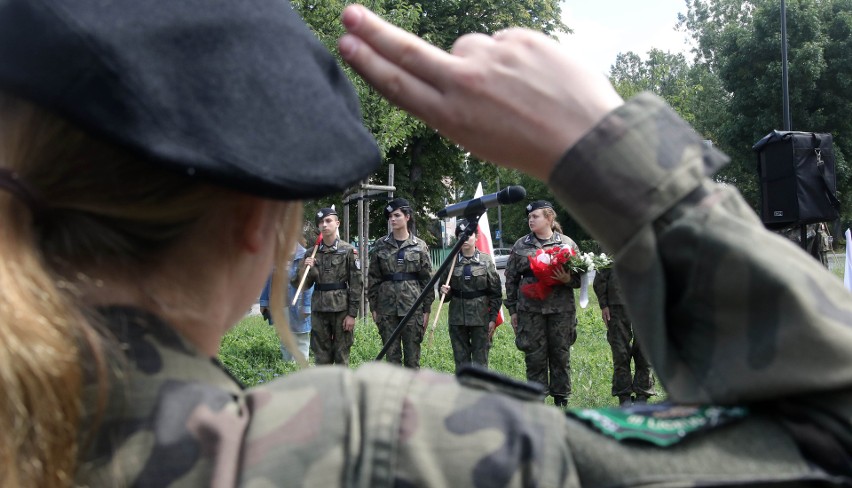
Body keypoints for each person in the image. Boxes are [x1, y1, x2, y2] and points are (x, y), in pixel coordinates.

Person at [3, 2, 851, 487]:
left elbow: (489, 271)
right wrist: (619, 157)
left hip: (507, 316)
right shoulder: (358, 453)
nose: (402, 226)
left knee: (565, 370)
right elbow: (830, 435)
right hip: (398, 319)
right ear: (255, 219)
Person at [503, 200, 581, 407]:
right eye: (529, 217)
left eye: (535, 216)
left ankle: (561, 398)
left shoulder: (566, 244)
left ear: (549, 218)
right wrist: (512, 310)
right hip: (530, 311)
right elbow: (510, 279)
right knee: (534, 356)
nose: (530, 220)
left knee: (560, 354)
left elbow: (581, 279)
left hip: (561, 310)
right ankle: (536, 398)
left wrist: (568, 280)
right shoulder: (521, 245)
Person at [368, 197, 434, 368]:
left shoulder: (420, 246)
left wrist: (426, 310)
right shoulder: (380, 245)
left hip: (412, 309)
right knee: (392, 358)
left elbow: (427, 280)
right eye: (390, 217)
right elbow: (373, 278)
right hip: (386, 309)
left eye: (397, 215)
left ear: (407, 217)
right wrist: (373, 308)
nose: (393, 219)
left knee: (412, 359)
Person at [298, 207, 362, 365]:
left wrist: (352, 314)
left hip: (341, 310)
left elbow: (356, 284)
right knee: (321, 356)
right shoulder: (310, 253)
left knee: (342, 354)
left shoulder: (348, 251)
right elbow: (301, 285)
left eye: (328, 221)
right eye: (320, 222)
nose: (324, 225)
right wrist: (305, 269)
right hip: (319, 310)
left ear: (337, 223)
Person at [438, 219, 502, 372]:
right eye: (460, 235)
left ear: (476, 237)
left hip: (480, 319)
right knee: (461, 361)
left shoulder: (485, 261)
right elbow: (444, 297)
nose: (464, 239)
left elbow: (495, 293)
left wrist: (492, 318)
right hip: (457, 318)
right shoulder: (451, 261)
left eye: (468, 235)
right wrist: (444, 292)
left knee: (481, 361)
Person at [593, 266, 655, 407]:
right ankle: (624, 395)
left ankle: (642, 394)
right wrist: (604, 304)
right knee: (620, 350)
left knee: (645, 351)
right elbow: (600, 276)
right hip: (617, 304)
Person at [259, 238, 313, 362]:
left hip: (298, 305)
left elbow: (309, 284)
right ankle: (287, 367)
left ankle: (301, 371)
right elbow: (268, 280)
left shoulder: (306, 256)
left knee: (300, 339)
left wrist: (307, 306)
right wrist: (264, 302)